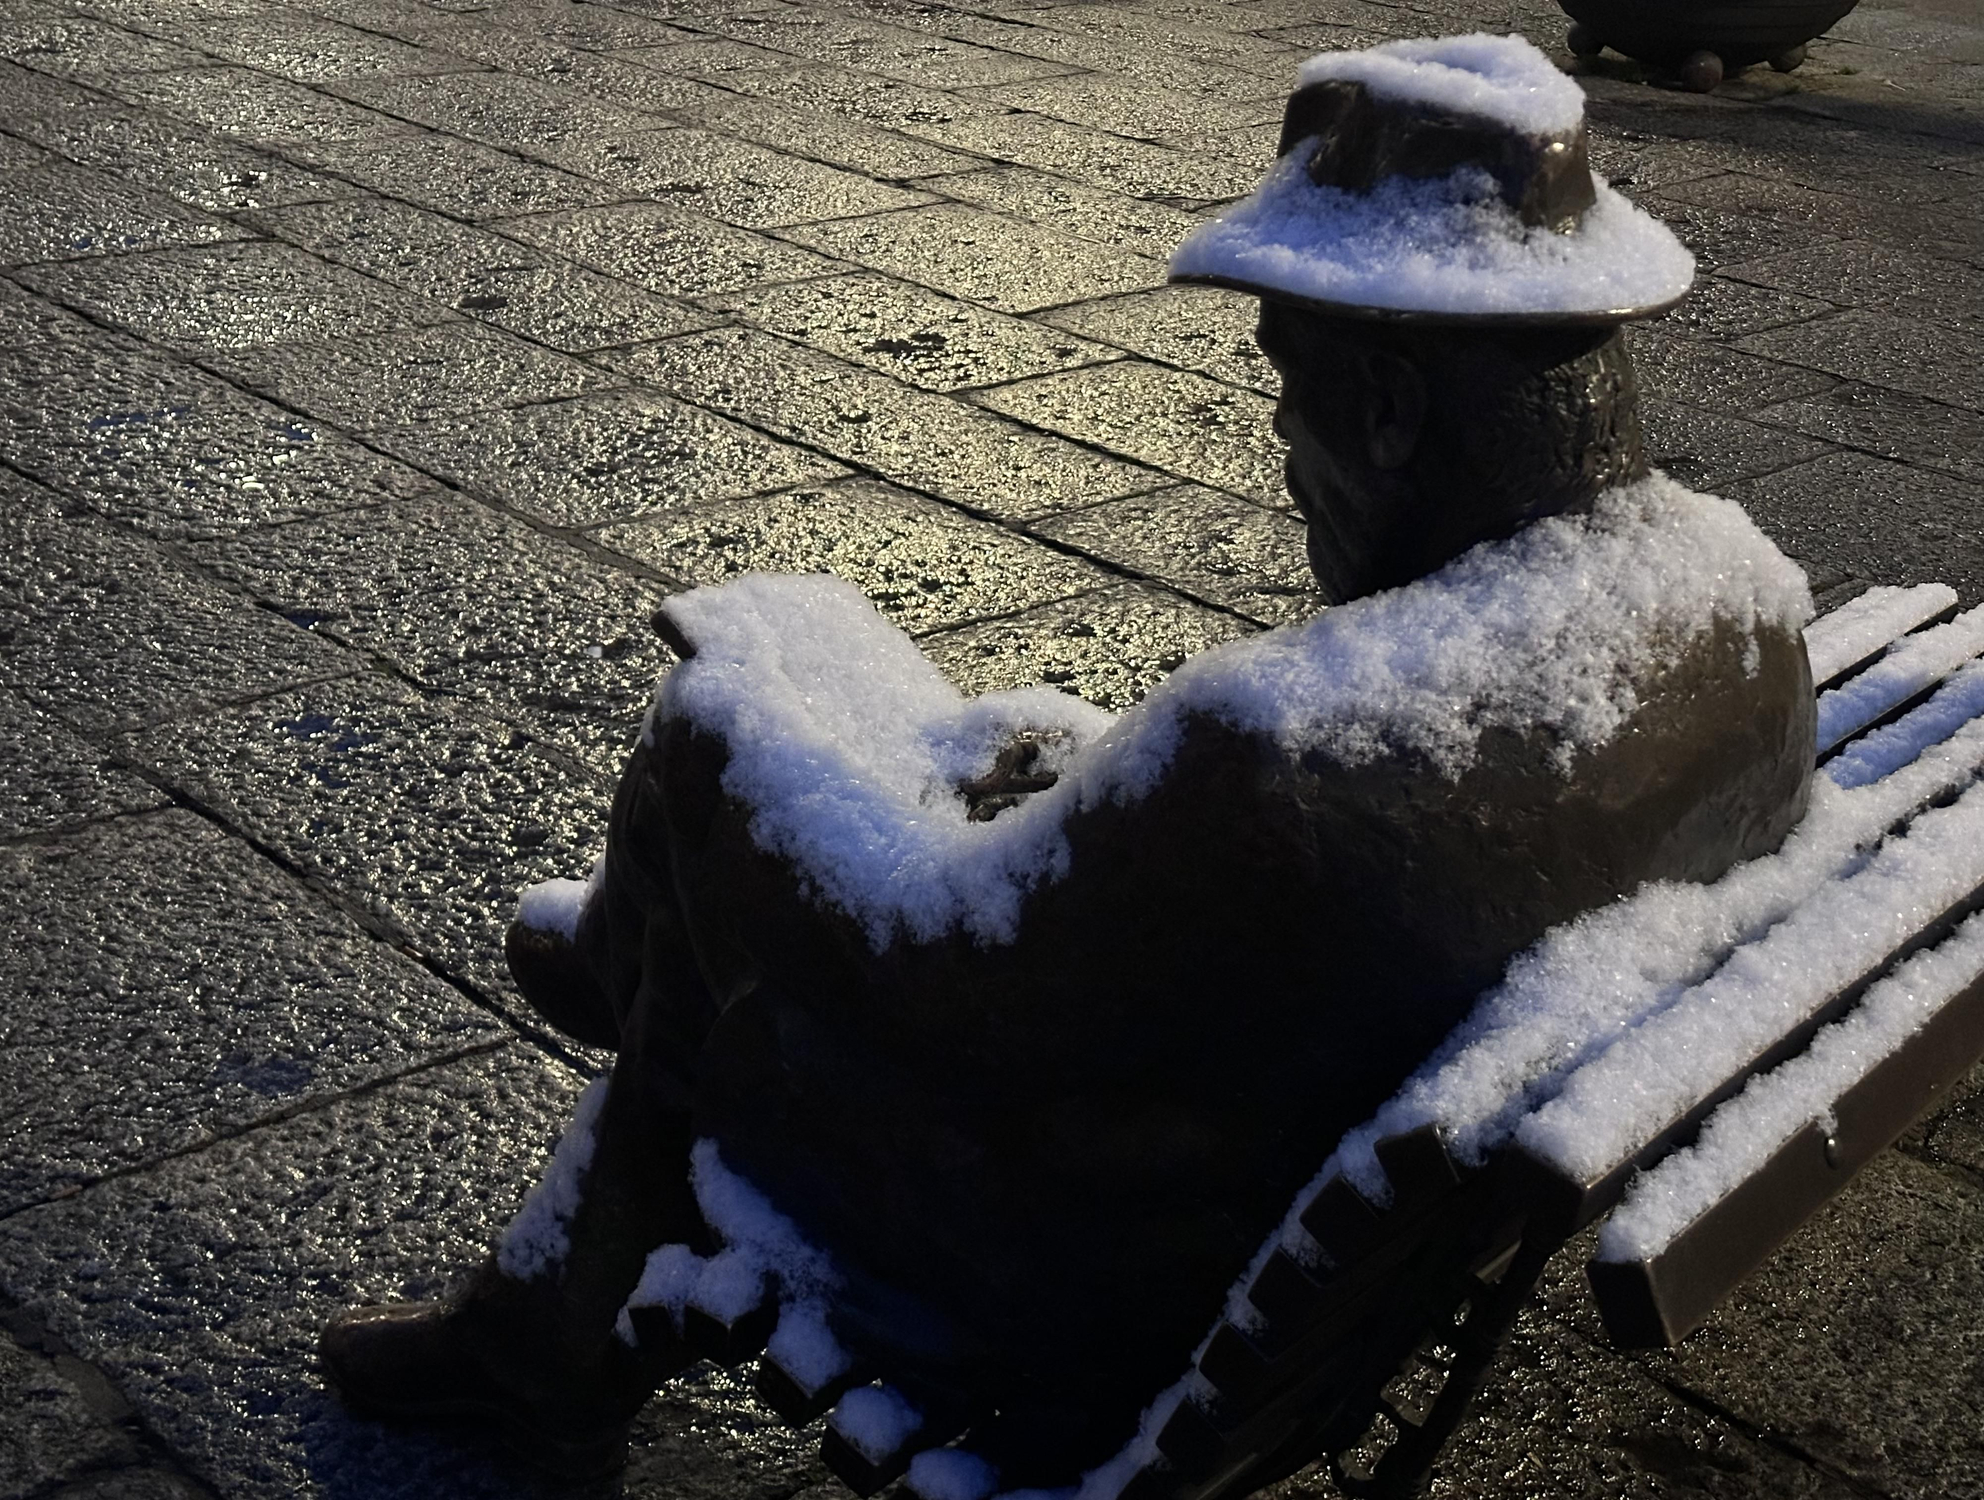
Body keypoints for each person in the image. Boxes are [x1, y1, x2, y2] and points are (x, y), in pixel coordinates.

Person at [320, 34, 1818, 1496]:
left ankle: (599, 1049)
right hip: (1264, 1163)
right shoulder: (1739, 607)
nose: (1285, 443)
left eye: (1287, 387)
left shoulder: (1280, 757)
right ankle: (549, 1292)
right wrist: (1092, 803)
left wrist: (737, 734)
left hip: (1054, 1297)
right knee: (960, 757)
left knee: (720, 812)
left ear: (1388, 408)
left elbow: (923, 978)